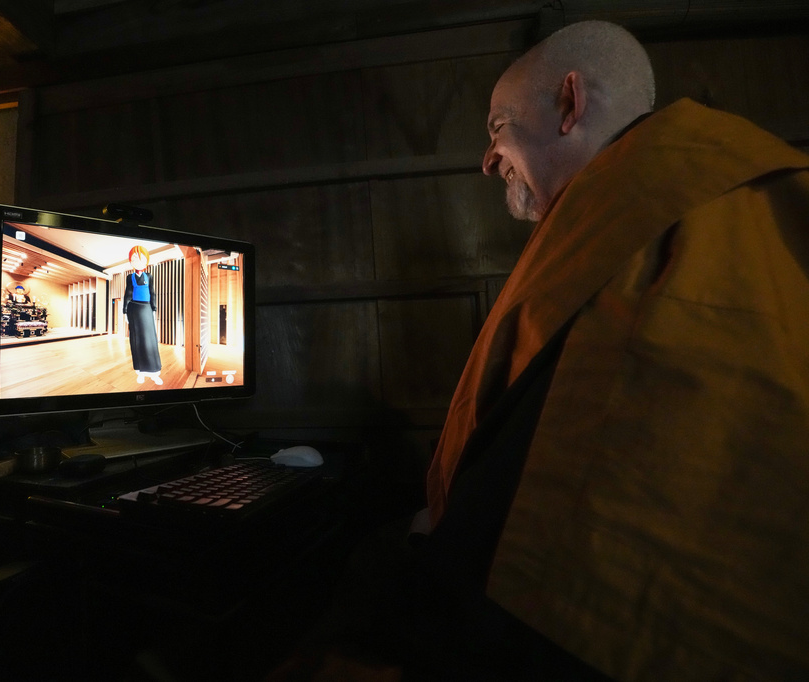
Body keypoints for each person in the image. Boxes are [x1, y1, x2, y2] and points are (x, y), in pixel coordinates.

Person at [271, 19, 809, 682]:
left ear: (569, 104)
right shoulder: (748, 185)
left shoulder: (643, 232)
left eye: (498, 126)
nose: (488, 159)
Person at [123, 244, 164, 385]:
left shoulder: (149, 276)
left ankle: (154, 372)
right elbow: (127, 295)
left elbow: (152, 294)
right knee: (136, 340)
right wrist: (124, 312)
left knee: (150, 340)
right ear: (130, 261)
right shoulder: (130, 277)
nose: (137, 260)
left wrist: (153, 309)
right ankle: (139, 372)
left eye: (140, 258)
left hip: (146, 309)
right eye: (134, 258)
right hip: (133, 309)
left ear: (146, 260)